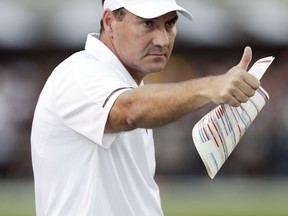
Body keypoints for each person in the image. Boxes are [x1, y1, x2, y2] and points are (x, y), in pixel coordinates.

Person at [31, 0, 261, 215]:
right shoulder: (79, 73)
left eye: (169, 24)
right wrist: (209, 87)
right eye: (147, 23)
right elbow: (129, 111)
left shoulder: (125, 83)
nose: (163, 40)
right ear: (110, 22)